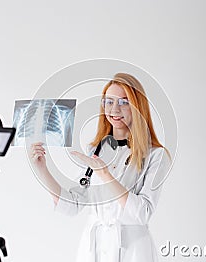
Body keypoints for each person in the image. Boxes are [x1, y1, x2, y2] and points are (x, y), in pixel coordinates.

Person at [31, 73, 172, 262]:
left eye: (124, 102)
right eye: (109, 102)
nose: (114, 109)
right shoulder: (95, 150)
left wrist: (105, 174)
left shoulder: (155, 155)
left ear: (138, 108)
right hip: (94, 248)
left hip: (133, 250)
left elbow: (142, 213)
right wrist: (42, 170)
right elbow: (73, 205)